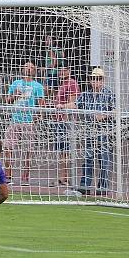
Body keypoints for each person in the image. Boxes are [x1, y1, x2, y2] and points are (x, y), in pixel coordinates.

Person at [70, 67, 115, 196]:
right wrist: (62, 106)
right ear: (90, 80)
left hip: (105, 132)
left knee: (104, 160)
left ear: (103, 80)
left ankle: (103, 187)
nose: (96, 81)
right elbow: (75, 104)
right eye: (94, 79)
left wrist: (104, 115)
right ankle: (85, 186)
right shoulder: (86, 94)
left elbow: (115, 110)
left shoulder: (109, 94)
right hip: (89, 132)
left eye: (99, 79)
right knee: (88, 159)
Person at [2, 61, 45, 186]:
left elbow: (42, 103)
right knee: (8, 146)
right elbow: (7, 100)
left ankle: (25, 176)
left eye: (31, 67)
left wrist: (38, 116)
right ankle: (7, 175)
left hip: (28, 121)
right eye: (26, 67)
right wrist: (15, 95)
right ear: (22, 69)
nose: (29, 69)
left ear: (34, 71)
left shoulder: (37, 86)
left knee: (28, 149)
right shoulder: (16, 83)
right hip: (15, 120)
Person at [51, 67, 79, 186]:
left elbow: (74, 103)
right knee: (62, 150)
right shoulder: (62, 84)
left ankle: (65, 177)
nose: (61, 72)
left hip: (65, 122)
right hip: (59, 120)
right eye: (60, 70)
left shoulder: (72, 83)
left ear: (69, 71)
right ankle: (63, 176)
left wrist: (65, 117)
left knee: (66, 150)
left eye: (64, 70)